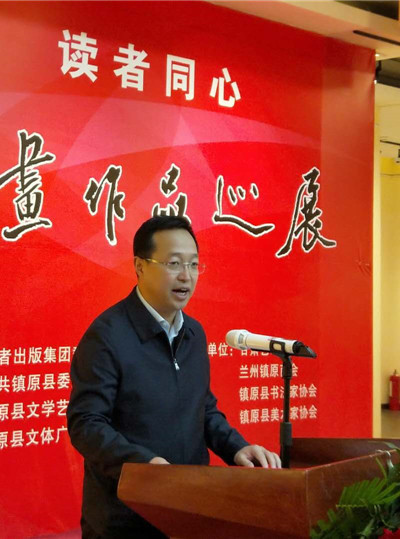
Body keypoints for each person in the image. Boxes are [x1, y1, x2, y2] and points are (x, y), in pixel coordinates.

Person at [67, 216, 281, 539]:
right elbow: (86, 424)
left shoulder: (194, 333)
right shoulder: (107, 336)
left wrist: (237, 448)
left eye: (193, 264)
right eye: (174, 263)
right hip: (126, 519)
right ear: (140, 266)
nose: (186, 276)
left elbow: (203, 409)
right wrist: (145, 465)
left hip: (190, 508)